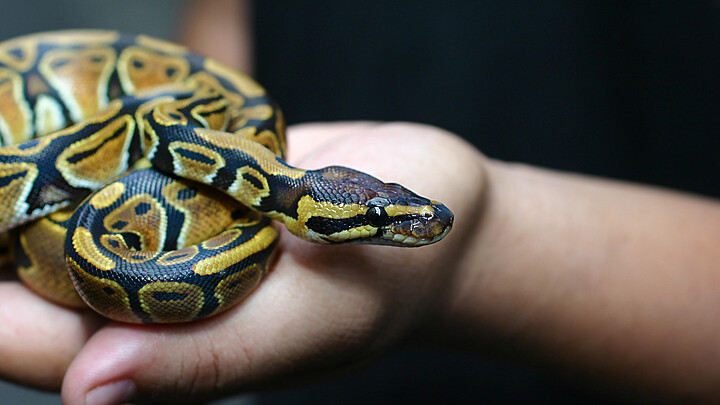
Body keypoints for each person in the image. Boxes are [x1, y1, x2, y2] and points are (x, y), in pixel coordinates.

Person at [2, 1, 720, 404]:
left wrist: (486, 244)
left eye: (389, 210)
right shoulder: (258, 178)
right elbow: (221, 34)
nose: (412, 217)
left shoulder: (261, 181)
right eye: (382, 214)